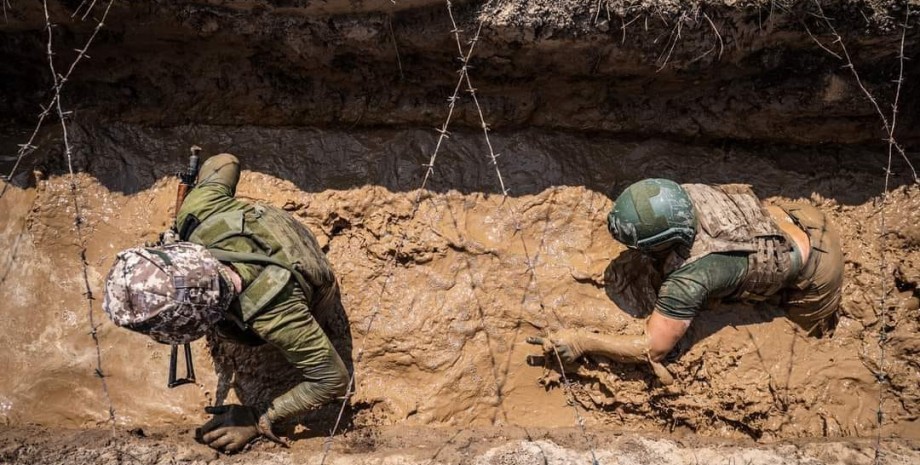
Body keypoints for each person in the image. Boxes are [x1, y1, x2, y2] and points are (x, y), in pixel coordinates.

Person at [102, 153, 350, 453]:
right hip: (282, 233)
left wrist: (259, 416)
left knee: (238, 335)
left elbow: (332, 379)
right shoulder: (199, 213)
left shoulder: (277, 315)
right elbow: (226, 161)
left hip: (310, 286)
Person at [527, 178, 843, 384]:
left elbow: (652, 349)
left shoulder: (692, 276)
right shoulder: (683, 193)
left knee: (809, 339)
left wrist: (583, 342)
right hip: (797, 216)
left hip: (817, 267)